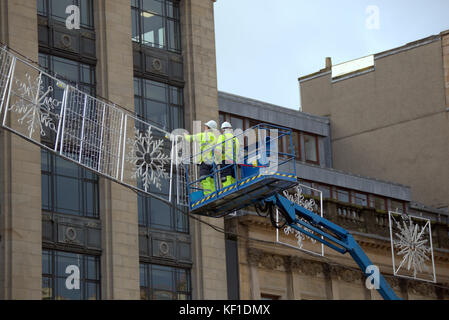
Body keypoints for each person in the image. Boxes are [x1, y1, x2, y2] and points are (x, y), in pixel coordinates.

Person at [184, 120, 218, 195]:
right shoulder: (216, 137)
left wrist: (184, 135)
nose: (204, 127)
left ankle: (208, 195)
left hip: (205, 161)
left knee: (204, 178)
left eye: (205, 126)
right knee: (211, 179)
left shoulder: (203, 135)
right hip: (213, 162)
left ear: (208, 127)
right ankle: (213, 194)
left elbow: (190, 138)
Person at [218, 121, 239, 187]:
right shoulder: (235, 138)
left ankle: (227, 189)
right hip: (233, 161)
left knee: (226, 177)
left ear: (223, 129)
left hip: (225, 160)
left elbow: (217, 149)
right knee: (233, 177)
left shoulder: (222, 137)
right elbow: (238, 149)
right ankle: (233, 189)